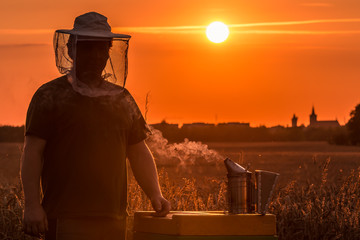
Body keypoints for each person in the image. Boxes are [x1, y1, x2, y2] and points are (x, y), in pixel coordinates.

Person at [20, 12, 171, 240]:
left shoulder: (122, 98)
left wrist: (155, 194)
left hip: (113, 218)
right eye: (87, 47)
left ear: (109, 51)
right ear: (71, 49)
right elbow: (32, 152)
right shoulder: (49, 95)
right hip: (64, 217)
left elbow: (138, 151)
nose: (95, 55)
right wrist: (31, 206)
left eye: (102, 48)